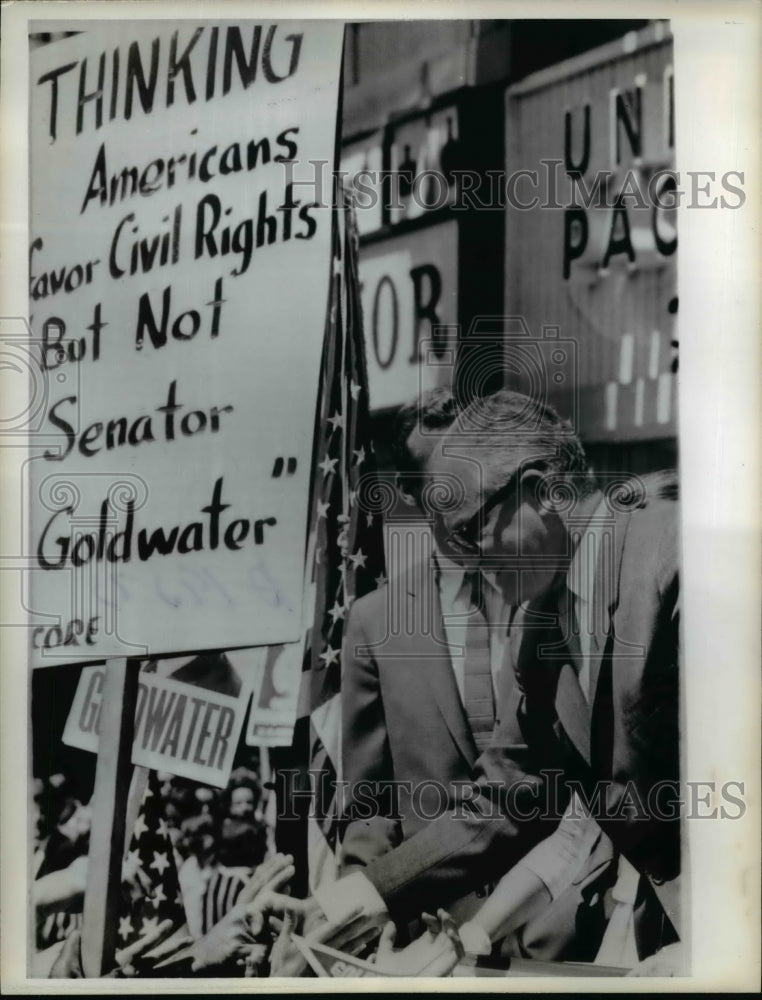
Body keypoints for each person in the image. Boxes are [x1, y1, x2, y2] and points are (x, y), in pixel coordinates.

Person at [308, 388, 681, 972]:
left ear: (540, 490)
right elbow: (509, 797)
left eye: (469, 531)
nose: (464, 560)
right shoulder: (541, 628)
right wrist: (363, 895)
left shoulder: (676, 557)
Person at [340, 387, 515, 926]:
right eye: (437, 486)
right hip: (435, 930)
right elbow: (369, 810)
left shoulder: (547, 594)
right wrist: (349, 919)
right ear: (411, 492)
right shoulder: (376, 622)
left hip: (564, 928)